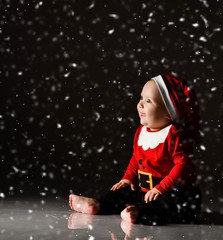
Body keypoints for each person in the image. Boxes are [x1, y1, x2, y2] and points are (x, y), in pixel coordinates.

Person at [69, 74, 202, 225]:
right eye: (141, 98)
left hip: (174, 191)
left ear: (168, 112)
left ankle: (140, 213)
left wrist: (161, 188)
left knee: (167, 205)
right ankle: (98, 204)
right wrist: (128, 177)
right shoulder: (141, 131)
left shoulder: (174, 134)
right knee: (123, 193)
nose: (140, 104)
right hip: (146, 187)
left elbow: (183, 166)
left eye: (148, 101)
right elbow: (136, 157)